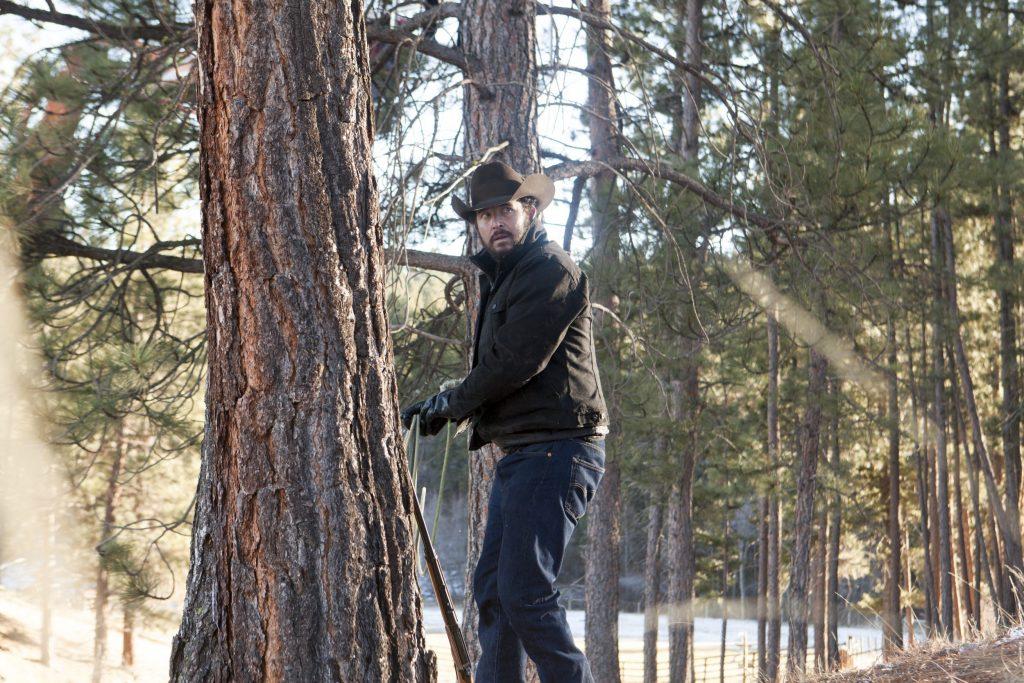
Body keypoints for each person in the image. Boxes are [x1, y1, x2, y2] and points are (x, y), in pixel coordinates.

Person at [401, 160, 609, 683]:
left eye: (506, 211)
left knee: (524, 593)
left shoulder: (550, 269)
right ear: (476, 222)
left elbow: (516, 362)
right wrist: (443, 403)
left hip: (558, 449)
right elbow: (498, 368)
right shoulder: (507, 277)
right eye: (486, 214)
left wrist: (450, 404)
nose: (496, 222)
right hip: (525, 454)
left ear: (529, 211)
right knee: (494, 592)